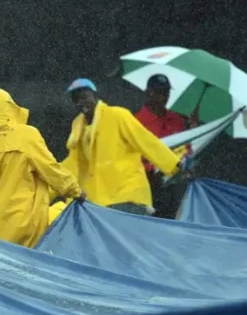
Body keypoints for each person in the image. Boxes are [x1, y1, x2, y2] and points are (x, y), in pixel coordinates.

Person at [0, 89, 84, 248]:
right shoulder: (27, 135)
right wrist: (74, 190)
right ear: (11, 107)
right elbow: (50, 169)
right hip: (29, 225)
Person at [62, 78, 191, 216]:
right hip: (101, 201)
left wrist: (174, 166)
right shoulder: (79, 128)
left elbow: (146, 141)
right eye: (76, 99)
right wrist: (52, 184)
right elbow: (74, 163)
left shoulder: (117, 115)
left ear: (95, 95)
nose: (81, 102)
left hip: (127, 195)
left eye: (84, 97)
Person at [134, 74, 197, 219]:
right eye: (158, 92)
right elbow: (131, 156)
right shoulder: (135, 121)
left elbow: (186, 149)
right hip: (146, 184)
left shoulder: (177, 120)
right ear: (148, 93)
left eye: (166, 93)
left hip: (173, 183)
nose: (163, 97)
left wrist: (193, 130)